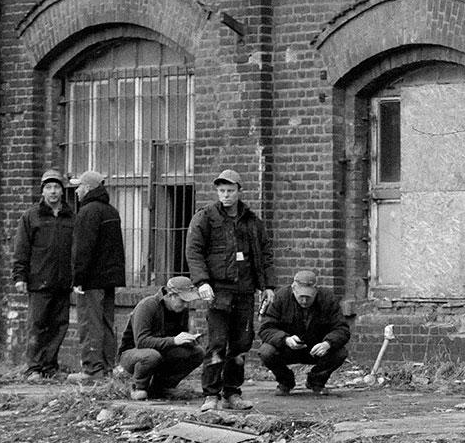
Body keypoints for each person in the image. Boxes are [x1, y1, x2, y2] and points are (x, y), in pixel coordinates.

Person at [185, 168, 273, 412]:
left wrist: (268, 286)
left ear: (239, 191)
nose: (225, 195)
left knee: (242, 344)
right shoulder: (205, 217)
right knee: (217, 343)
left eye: (230, 190)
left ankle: (232, 393)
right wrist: (202, 282)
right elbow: (193, 251)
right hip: (218, 292)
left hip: (245, 291)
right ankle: (211, 395)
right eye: (222, 190)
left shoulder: (252, 221)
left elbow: (265, 254)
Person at [11, 169, 74, 381]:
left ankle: (50, 366)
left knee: (59, 325)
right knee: (37, 325)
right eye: (48, 187)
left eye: (56, 187)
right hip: (39, 280)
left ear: (62, 191)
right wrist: (20, 276)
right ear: (42, 191)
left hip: (63, 281)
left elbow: (76, 250)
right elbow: (22, 248)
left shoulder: (71, 217)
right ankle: (34, 368)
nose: (53, 191)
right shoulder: (31, 217)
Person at [69, 170, 126, 383]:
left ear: (88, 188)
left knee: (89, 323)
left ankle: (92, 369)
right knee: (105, 323)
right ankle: (108, 367)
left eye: (79, 186)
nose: (76, 191)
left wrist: (78, 279)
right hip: (108, 279)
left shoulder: (87, 212)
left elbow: (83, 249)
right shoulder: (111, 211)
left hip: (91, 280)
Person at [257, 270, 351, 396]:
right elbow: (266, 328)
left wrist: (328, 343)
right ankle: (285, 382)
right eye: (301, 296)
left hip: (316, 349)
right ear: (293, 290)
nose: (304, 301)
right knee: (266, 352)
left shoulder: (328, 299)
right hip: (287, 348)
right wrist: (285, 339)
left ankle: (316, 381)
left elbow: (342, 329)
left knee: (340, 353)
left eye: (309, 297)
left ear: (316, 290)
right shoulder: (281, 298)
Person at [116, 276, 205, 400]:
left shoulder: (181, 311)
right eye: (183, 301)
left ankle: (162, 387)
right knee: (151, 356)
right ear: (171, 295)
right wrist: (174, 340)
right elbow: (141, 342)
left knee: (197, 353)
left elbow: (178, 338)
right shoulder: (147, 306)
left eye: (187, 302)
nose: (186, 305)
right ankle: (138, 387)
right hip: (133, 354)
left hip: (161, 351)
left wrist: (189, 340)